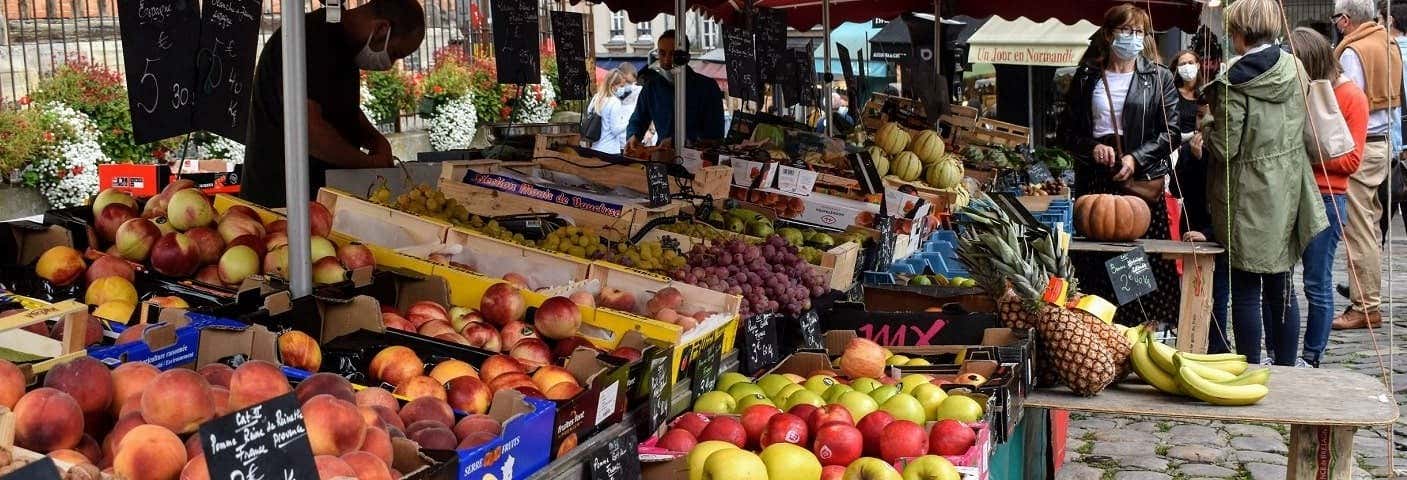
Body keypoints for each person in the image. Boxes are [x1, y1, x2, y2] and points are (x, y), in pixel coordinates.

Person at [1202, 0, 1327, 365]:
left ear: (1239, 33)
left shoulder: (1232, 82)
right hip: (1290, 188)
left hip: (1248, 194)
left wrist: (1206, 127)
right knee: (1282, 286)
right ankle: (1287, 369)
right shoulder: (1295, 66)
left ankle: (1250, 368)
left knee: (1244, 288)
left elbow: (1226, 148)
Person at [1058, 4, 1181, 328]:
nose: (1133, 38)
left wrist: (1135, 158)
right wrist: (1092, 147)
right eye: (1126, 31)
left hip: (1136, 188)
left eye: (1139, 32)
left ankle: (1135, 333)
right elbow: (1066, 131)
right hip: (1096, 185)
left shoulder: (1158, 77)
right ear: (1110, 34)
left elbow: (1171, 132)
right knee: (1094, 265)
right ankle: (1094, 331)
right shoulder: (1087, 77)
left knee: (1133, 269)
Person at [241, 0, 426, 208]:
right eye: (394, 54)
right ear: (382, 29)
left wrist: (375, 140)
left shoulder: (343, 45)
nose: (389, 65)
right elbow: (309, 132)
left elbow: (340, 107)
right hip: (281, 201)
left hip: (319, 199)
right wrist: (368, 164)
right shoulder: (311, 39)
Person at [1288, 27, 1366, 367]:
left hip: (1328, 197)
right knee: (1280, 277)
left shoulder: (1351, 97)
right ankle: (1284, 351)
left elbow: (1351, 160)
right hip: (1295, 192)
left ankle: (1312, 354)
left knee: (1316, 282)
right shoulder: (1301, 91)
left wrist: (1306, 154)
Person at [1329, 0, 1400, 330]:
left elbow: (1350, 103)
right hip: (1382, 144)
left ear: (1345, 20)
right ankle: (1367, 300)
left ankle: (1366, 306)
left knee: (1359, 230)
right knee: (1368, 226)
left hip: (1364, 144)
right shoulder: (1389, 42)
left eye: (1336, 18)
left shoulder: (1353, 51)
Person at [626, 30, 725, 150]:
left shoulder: (707, 87)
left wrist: (679, 141)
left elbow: (715, 135)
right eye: (662, 53)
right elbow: (638, 119)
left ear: (686, 57)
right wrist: (633, 136)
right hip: (662, 158)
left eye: (673, 54)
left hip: (698, 161)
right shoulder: (651, 87)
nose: (667, 60)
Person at [1171, 50, 1211, 239]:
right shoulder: (1172, 93)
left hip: (1212, 228)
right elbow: (1176, 189)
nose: (1203, 121)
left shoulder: (1219, 148)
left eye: (1190, 62)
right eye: (1200, 116)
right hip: (1191, 223)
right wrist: (1192, 158)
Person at [585, 70, 632, 154]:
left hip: (595, 147)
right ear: (613, 85)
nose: (622, 89)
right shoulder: (614, 102)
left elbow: (589, 114)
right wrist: (628, 122)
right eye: (621, 86)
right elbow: (615, 130)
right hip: (610, 150)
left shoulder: (596, 98)